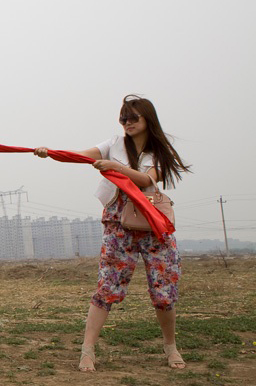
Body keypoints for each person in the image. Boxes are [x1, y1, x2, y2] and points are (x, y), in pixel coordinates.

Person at [34, 95, 191, 372]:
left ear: (147, 119)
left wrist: (116, 168)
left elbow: (146, 180)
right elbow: (81, 156)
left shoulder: (160, 152)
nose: (127, 123)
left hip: (153, 223)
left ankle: (171, 347)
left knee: (164, 288)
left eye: (133, 118)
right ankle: (87, 350)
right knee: (107, 286)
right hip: (118, 223)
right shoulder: (113, 145)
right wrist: (51, 153)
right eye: (123, 118)